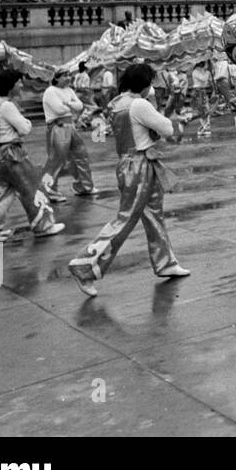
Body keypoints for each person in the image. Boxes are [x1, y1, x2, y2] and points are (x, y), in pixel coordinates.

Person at [67, 63, 190, 297]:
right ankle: (84, 266)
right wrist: (166, 111)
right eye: (150, 83)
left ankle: (166, 262)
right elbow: (166, 128)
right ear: (144, 84)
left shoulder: (117, 102)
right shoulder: (140, 104)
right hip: (140, 166)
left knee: (154, 215)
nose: (152, 87)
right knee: (125, 220)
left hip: (129, 163)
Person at [0, 71, 66, 242]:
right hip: (11, 154)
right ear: (11, 85)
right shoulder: (7, 106)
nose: (21, 86)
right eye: (19, 83)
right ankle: (43, 225)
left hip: (0, 153)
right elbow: (24, 129)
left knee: (4, 191)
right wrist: (27, 122)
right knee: (31, 187)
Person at [41, 69, 99, 198]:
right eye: (64, 76)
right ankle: (48, 190)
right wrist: (72, 105)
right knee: (56, 159)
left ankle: (84, 186)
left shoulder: (69, 90)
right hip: (58, 126)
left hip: (70, 125)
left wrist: (68, 104)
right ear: (56, 78)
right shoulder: (50, 91)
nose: (68, 78)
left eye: (69, 75)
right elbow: (59, 109)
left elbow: (80, 106)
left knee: (81, 155)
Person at [189, 59, 214, 137]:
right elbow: (204, 79)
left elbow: (207, 81)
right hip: (198, 92)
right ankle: (204, 128)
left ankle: (204, 127)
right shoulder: (196, 71)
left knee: (205, 109)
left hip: (202, 91)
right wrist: (208, 72)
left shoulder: (201, 71)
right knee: (202, 110)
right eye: (206, 63)